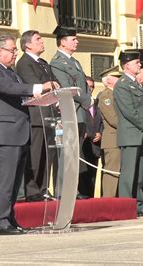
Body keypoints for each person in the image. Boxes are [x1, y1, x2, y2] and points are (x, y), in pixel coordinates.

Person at [0, 33, 54, 235]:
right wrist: (38, 87)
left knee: (13, 182)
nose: (15, 54)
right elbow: (7, 88)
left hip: (18, 132)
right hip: (4, 133)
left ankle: (10, 219)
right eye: (12, 50)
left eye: (15, 50)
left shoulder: (10, 71)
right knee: (4, 181)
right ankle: (1, 222)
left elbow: (16, 90)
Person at [15, 30, 59, 202]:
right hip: (36, 115)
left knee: (47, 155)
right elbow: (36, 86)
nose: (42, 42)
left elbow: (55, 83)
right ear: (28, 45)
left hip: (49, 114)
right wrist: (47, 85)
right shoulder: (24, 63)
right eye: (38, 39)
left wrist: (50, 85)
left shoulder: (43, 63)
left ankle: (43, 189)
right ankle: (32, 191)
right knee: (35, 155)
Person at [50, 25, 93, 198]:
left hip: (79, 112)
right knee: (66, 154)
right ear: (62, 41)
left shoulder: (74, 61)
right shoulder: (58, 62)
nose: (77, 41)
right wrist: (86, 100)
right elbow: (67, 87)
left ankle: (72, 190)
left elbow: (83, 83)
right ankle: (63, 192)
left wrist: (88, 98)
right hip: (70, 111)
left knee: (74, 154)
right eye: (73, 39)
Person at [114, 50, 143, 217]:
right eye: (136, 63)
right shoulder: (123, 84)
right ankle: (126, 206)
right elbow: (129, 111)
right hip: (132, 134)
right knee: (129, 173)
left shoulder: (136, 83)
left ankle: (139, 204)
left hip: (141, 133)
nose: (139, 65)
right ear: (127, 65)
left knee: (139, 173)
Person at [97, 66, 122, 197]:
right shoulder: (106, 96)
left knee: (120, 172)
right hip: (112, 139)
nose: (120, 80)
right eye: (117, 77)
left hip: (121, 137)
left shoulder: (118, 94)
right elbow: (113, 119)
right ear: (108, 81)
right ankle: (108, 200)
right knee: (112, 172)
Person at [81, 76, 102, 197]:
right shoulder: (79, 105)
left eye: (92, 86)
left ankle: (91, 197)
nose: (90, 88)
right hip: (84, 143)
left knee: (93, 175)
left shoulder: (96, 104)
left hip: (95, 144)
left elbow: (102, 122)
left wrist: (100, 133)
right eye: (87, 86)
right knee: (83, 173)